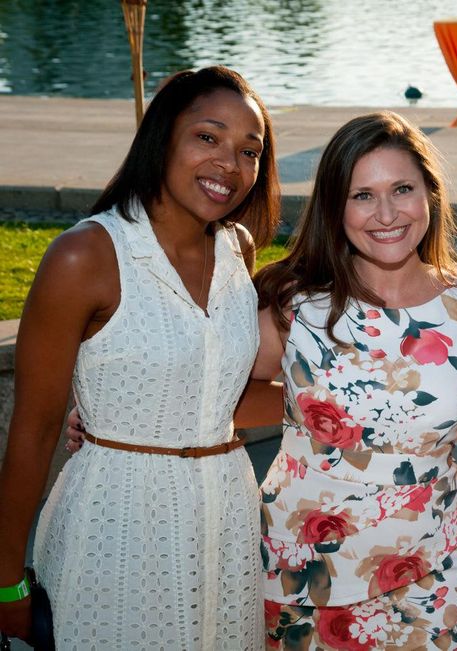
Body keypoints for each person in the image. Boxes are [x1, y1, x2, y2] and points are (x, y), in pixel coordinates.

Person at [0, 66, 281, 649]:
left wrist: (338, 407)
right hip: (117, 523)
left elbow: (215, 398)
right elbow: (33, 429)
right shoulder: (85, 255)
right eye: (208, 137)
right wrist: (4, 584)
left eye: (249, 151)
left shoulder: (238, 250)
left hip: (226, 521)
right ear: (162, 136)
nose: (230, 164)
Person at [248, 111, 457, 649]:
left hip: (435, 562)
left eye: (402, 189)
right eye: (362, 195)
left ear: (430, 192)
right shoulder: (296, 307)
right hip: (301, 567)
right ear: (335, 206)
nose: (386, 214)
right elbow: (219, 399)